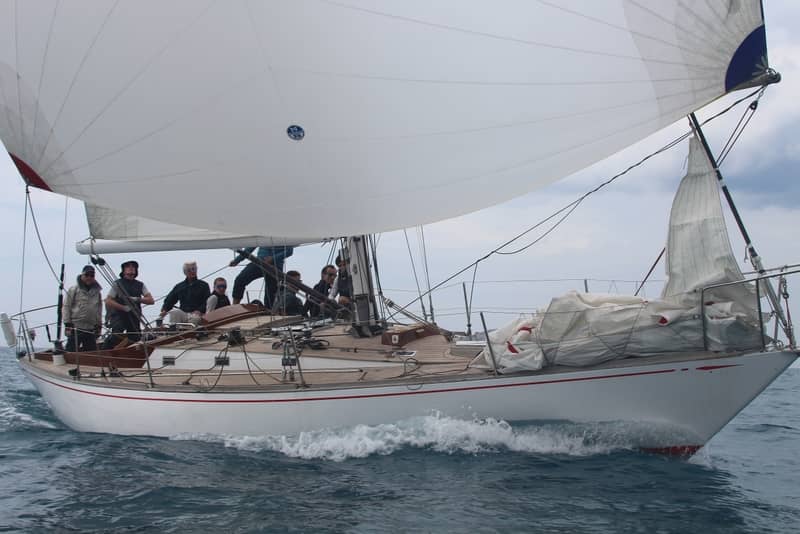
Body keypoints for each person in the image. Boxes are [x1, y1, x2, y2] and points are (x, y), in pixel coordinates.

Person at [105, 260, 154, 347]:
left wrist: (137, 299)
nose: (131, 268)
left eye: (133, 267)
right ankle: (106, 350)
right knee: (117, 335)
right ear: (123, 270)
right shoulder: (117, 284)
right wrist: (123, 307)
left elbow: (151, 300)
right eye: (128, 266)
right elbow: (108, 300)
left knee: (135, 337)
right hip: (119, 315)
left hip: (134, 314)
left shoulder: (140, 285)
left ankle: (128, 351)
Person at [230, 246, 294, 307]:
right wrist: (237, 260)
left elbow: (289, 251)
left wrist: (273, 258)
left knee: (270, 293)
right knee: (240, 279)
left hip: (275, 266)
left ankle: (269, 310)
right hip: (259, 262)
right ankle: (235, 305)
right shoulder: (261, 237)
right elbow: (250, 248)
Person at [63, 265, 103, 352]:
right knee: (71, 350)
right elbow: (66, 306)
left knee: (91, 352)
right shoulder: (74, 289)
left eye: (92, 275)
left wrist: (99, 325)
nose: (89, 277)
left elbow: (99, 309)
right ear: (82, 275)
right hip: (75, 326)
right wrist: (67, 323)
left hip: (90, 327)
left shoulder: (97, 292)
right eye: (87, 275)